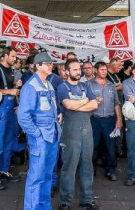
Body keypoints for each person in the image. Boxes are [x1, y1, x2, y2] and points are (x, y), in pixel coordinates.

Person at [18, 53, 59, 210]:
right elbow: (23, 116)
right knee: (36, 177)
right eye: (47, 63)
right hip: (41, 137)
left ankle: (43, 207)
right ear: (38, 65)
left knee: (47, 175)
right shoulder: (31, 86)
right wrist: (36, 134)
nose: (51, 66)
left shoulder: (48, 85)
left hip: (52, 135)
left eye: (51, 63)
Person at [57, 59, 99, 210]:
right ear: (67, 72)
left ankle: (87, 200)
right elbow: (68, 105)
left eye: (78, 69)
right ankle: (65, 202)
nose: (78, 72)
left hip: (87, 131)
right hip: (71, 131)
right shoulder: (62, 87)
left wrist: (78, 105)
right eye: (74, 69)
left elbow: (94, 105)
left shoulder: (85, 86)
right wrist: (85, 101)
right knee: (69, 166)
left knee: (87, 165)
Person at [0, 47, 23, 190]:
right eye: (13, 56)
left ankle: (4, 169)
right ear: (5, 56)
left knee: (9, 141)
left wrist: (16, 86)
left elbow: (7, 88)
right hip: (0, 111)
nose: (15, 59)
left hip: (10, 111)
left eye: (16, 57)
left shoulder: (11, 71)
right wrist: (10, 90)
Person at [87, 61, 122, 181]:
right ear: (96, 71)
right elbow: (84, 102)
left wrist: (119, 119)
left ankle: (110, 170)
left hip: (109, 120)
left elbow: (116, 103)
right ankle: (91, 170)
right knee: (93, 145)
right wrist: (93, 102)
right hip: (94, 119)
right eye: (102, 69)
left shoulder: (111, 85)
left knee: (110, 146)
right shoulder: (88, 85)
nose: (104, 72)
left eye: (105, 70)